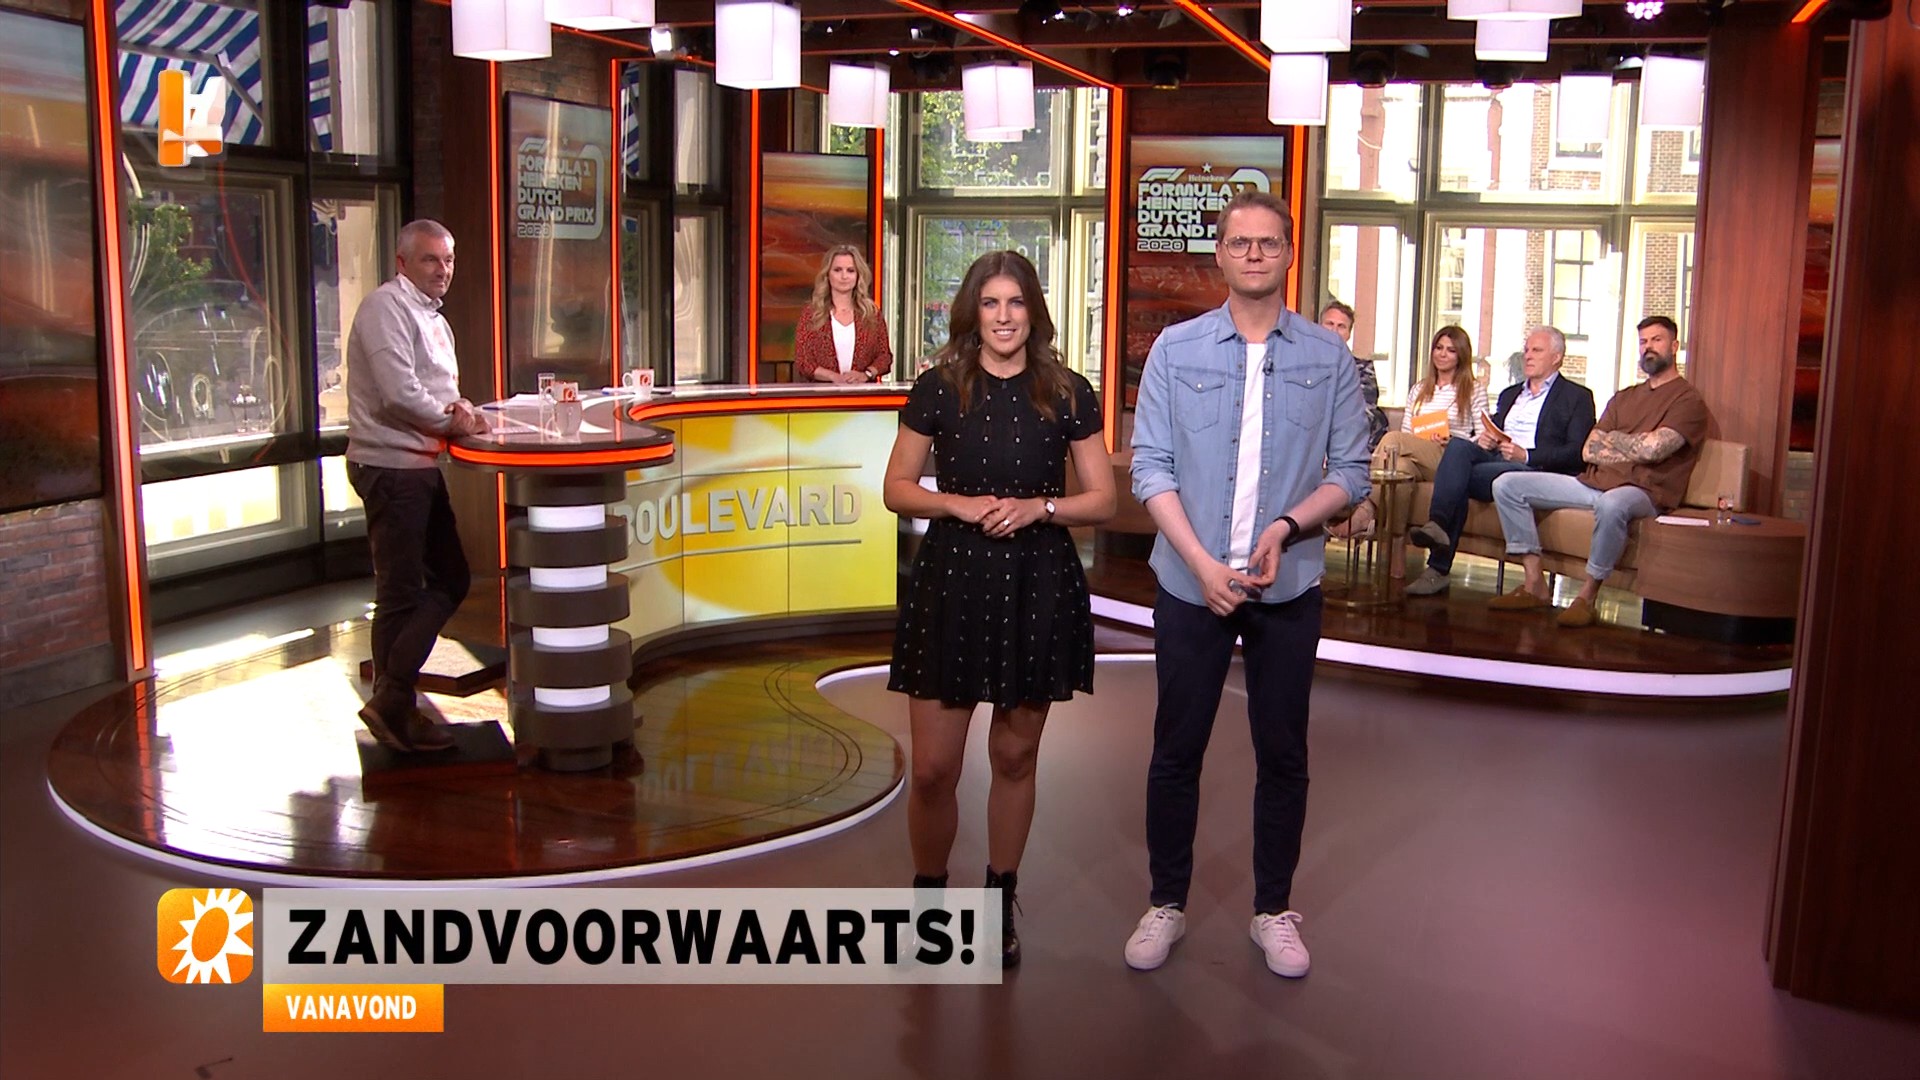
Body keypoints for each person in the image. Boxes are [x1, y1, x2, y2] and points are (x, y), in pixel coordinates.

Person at [1123, 191, 1370, 978]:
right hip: (1189, 583)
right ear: (1221, 254)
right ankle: (1166, 902)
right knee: (1176, 750)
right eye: (1240, 242)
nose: (1255, 254)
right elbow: (1150, 466)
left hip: (1287, 586)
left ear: (1290, 253)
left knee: (1283, 752)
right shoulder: (1176, 348)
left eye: (1269, 242)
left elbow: (1352, 471)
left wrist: (1287, 526)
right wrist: (1201, 563)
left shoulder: (1329, 357)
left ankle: (1273, 910)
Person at [882, 250, 1116, 968]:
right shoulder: (939, 387)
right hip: (951, 581)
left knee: (1014, 756)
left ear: (1033, 312)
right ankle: (929, 900)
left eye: (1016, 303)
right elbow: (896, 487)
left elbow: (1103, 499)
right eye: (991, 303)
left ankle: (996, 902)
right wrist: (956, 503)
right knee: (933, 769)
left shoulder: (1068, 392)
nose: (1004, 316)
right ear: (973, 312)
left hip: (1035, 582)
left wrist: (1041, 507)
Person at [345, 219, 491, 753]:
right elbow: (398, 394)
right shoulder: (385, 308)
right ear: (402, 262)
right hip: (391, 468)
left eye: (448, 260)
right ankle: (394, 705)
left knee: (447, 578)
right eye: (431, 259)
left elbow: (438, 392)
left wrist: (460, 410)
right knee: (401, 593)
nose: (443, 270)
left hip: (418, 466)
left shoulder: (434, 320)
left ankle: (391, 700)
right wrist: (457, 423)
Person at [1488, 316, 1711, 627]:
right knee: (1507, 484)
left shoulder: (1688, 400)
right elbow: (1588, 449)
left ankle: (1587, 597)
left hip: (1645, 491)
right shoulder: (1625, 397)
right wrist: (1633, 443)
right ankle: (1534, 583)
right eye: (1643, 341)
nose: (1648, 347)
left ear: (1674, 346)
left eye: (1656, 340)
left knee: (1612, 503)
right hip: (1594, 482)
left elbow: (1654, 450)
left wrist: (1614, 440)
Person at [1402, 326, 1597, 596]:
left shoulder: (1577, 397)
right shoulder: (1510, 394)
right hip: (1497, 460)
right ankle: (1436, 526)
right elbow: (1494, 428)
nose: (1527, 356)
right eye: (1526, 350)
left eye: (1536, 350)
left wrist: (1526, 454)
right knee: (1458, 447)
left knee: (1459, 478)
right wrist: (1487, 438)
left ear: (1556, 357)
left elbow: (1577, 451)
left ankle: (1437, 567)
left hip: (1533, 468)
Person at [1363, 326, 1488, 574]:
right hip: (1417, 456)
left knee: (1392, 439)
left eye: (1450, 350)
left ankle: (1366, 507)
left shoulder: (1473, 390)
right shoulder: (1419, 389)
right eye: (1438, 348)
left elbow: (1485, 438)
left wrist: (1454, 440)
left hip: (1449, 460)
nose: (1442, 354)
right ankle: (1397, 543)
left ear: (1461, 355)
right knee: (1400, 467)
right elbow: (1407, 432)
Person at [794, 244, 893, 384]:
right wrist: (833, 377)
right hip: (823, 394)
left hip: (863, 394)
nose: (844, 276)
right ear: (827, 274)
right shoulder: (812, 314)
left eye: (850, 270)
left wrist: (866, 374)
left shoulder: (871, 314)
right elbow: (803, 361)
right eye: (837, 270)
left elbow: (884, 357)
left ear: (858, 276)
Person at [1317, 299, 1388, 450]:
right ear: (1318, 327)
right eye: (1329, 324)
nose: (1334, 331)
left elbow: (1362, 414)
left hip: (1348, 443)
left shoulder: (1363, 369)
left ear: (1349, 334)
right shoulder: (1303, 365)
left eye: (1341, 326)